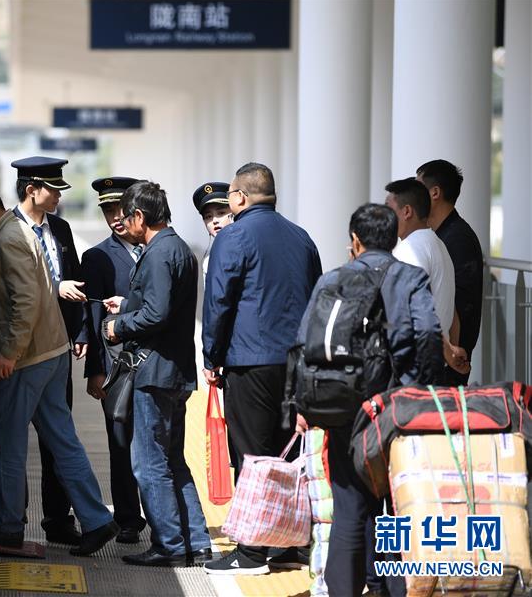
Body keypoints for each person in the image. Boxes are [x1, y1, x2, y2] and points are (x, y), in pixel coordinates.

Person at [0, 180, 118, 555]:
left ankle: (8, 525)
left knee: (6, 440)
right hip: (50, 350)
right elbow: (19, 282)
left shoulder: (9, 238)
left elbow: (25, 299)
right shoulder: (18, 229)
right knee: (62, 440)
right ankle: (97, 520)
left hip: (29, 357)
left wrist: (9, 352)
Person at [297, 203, 443, 596]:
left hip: (345, 407)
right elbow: (428, 333)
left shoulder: (333, 279)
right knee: (396, 505)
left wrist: (303, 403)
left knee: (349, 506)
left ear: (355, 241)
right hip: (398, 407)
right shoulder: (410, 277)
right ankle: (394, 588)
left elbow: (304, 341)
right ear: (394, 238)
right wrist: (419, 387)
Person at [202, 162, 321, 575]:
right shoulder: (302, 237)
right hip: (296, 363)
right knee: (289, 452)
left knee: (252, 455)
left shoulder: (233, 236)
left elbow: (219, 300)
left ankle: (252, 552)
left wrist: (212, 356)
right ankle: (291, 543)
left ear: (238, 197)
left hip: (250, 362)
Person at [102, 181, 212, 567]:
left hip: (154, 373)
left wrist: (118, 326)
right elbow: (162, 304)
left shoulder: (158, 253)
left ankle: (169, 545)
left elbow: (157, 313)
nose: (122, 224)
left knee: (148, 463)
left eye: (126, 217)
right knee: (173, 460)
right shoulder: (178, 248)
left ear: (140, 216)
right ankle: (196, 541)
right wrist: (128, 304)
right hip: (175, 370)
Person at [10, 156, 87, 545]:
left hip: (57, 348)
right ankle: (14, 516)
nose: (59, 196)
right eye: (53, 189)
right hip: (23, 351)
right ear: (31, 190)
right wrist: (56, 288)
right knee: (11, 439)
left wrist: (81, 330)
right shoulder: (9, 230)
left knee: (57, 437)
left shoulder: (61, 228)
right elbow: (14, 286)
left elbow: (77, 280)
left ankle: (58, 519)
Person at [78, 176, 148, 544]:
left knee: (154, 444)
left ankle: (161, 518)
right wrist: (95, 371)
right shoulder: (97, 257)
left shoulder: (157, 247)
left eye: (120, 208)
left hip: (154, 362)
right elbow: (92, 317)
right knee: (120, 444)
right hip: (117, 365)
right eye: (107, 210)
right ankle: (128, 519)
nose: (115, 217)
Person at [384, 178, 470, 379]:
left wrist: (448, 353)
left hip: (414, 367)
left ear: (407, 211)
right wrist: (450, 352)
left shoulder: (410, 250)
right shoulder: (438, 245)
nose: (385, 217)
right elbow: (452, 314)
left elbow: (416, 310)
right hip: (433, 364)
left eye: (389, 209)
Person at [416, 160, 484, 386]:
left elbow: (463, 304)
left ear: (435, 193)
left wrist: (453, 351)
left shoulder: (458, 238)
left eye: (418, 188)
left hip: (450, 362)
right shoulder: (440, 235)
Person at [191, 182, 233, 278]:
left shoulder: (249, 250)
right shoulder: (208, 263)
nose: (214, 221)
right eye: (208, 216)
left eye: (221, 213)